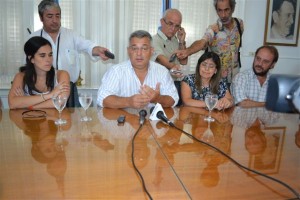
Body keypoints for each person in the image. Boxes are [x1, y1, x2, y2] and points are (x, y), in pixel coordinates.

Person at [29, 0, 113, 84]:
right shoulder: (33, 38)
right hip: (42, 89)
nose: (55, 20)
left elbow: (88, 46)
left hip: (69, 87)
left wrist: (98, 50)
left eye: (57, 16)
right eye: (50, 16)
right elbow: (27, 66)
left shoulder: (72, 35)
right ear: (41, 18)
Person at [97, 30, 179, 109]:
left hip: (153, 122)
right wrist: (128, 102)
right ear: (128, 51)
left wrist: (158, 99)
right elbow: (102, 98)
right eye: (134, 48)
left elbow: (173, 99)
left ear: (151, 51)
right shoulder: (116, 71)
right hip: (124, 121)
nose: (139, 54)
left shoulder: (162, 71)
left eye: (144, 48)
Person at [176, 0, 244, 85]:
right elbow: (202, 43)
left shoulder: (239, 24)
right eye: (219, 10)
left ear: (232, 9)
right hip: (217, 79)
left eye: (226, 10)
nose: (223, 15)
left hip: (235, 77)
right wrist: (187, 52)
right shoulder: (213, 29)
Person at [8, 36, 70, 109]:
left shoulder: (62, 74)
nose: (48, 60)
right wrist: (50, 95)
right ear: (31, 59)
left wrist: (28, 105)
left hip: (53, 119)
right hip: (28, 119)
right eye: (42, 56)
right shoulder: (20, 77)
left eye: (50, 55)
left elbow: (60, 102)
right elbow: (12, 104)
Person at [152, 8, 188, 77]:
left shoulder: (175, 40)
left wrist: (181, 41)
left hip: (176, 81)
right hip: (161, 84)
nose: (173, 29)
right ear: (162, 22)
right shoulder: (153, 40)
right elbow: (161, 59)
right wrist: (177, 69)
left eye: (177, 26)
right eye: (170, 24)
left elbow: (184, 62)